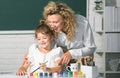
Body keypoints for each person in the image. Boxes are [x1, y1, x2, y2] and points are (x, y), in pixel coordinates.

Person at [43, 1, 97, 66]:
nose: (52, 26)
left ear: (65, 19)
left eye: (55, 22)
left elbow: (91, 48)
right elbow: (47, 47)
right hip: (63, 58)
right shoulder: (49, 26)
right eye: (49, 22)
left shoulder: (82, 23)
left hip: (82, 57)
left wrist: (71, 53)